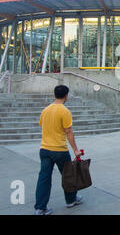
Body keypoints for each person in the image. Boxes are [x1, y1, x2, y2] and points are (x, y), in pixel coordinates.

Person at [34, 85, 83, 215]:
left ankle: (40, 208)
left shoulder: (45, 110)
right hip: (59, 150)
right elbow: (68, 132)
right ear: (66, 96)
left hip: (44, 149)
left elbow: (42, 125)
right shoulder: (64, 111)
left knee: (44, 178)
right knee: (68, 176)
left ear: (54, 95)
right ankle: (71, 200)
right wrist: (75, 150)